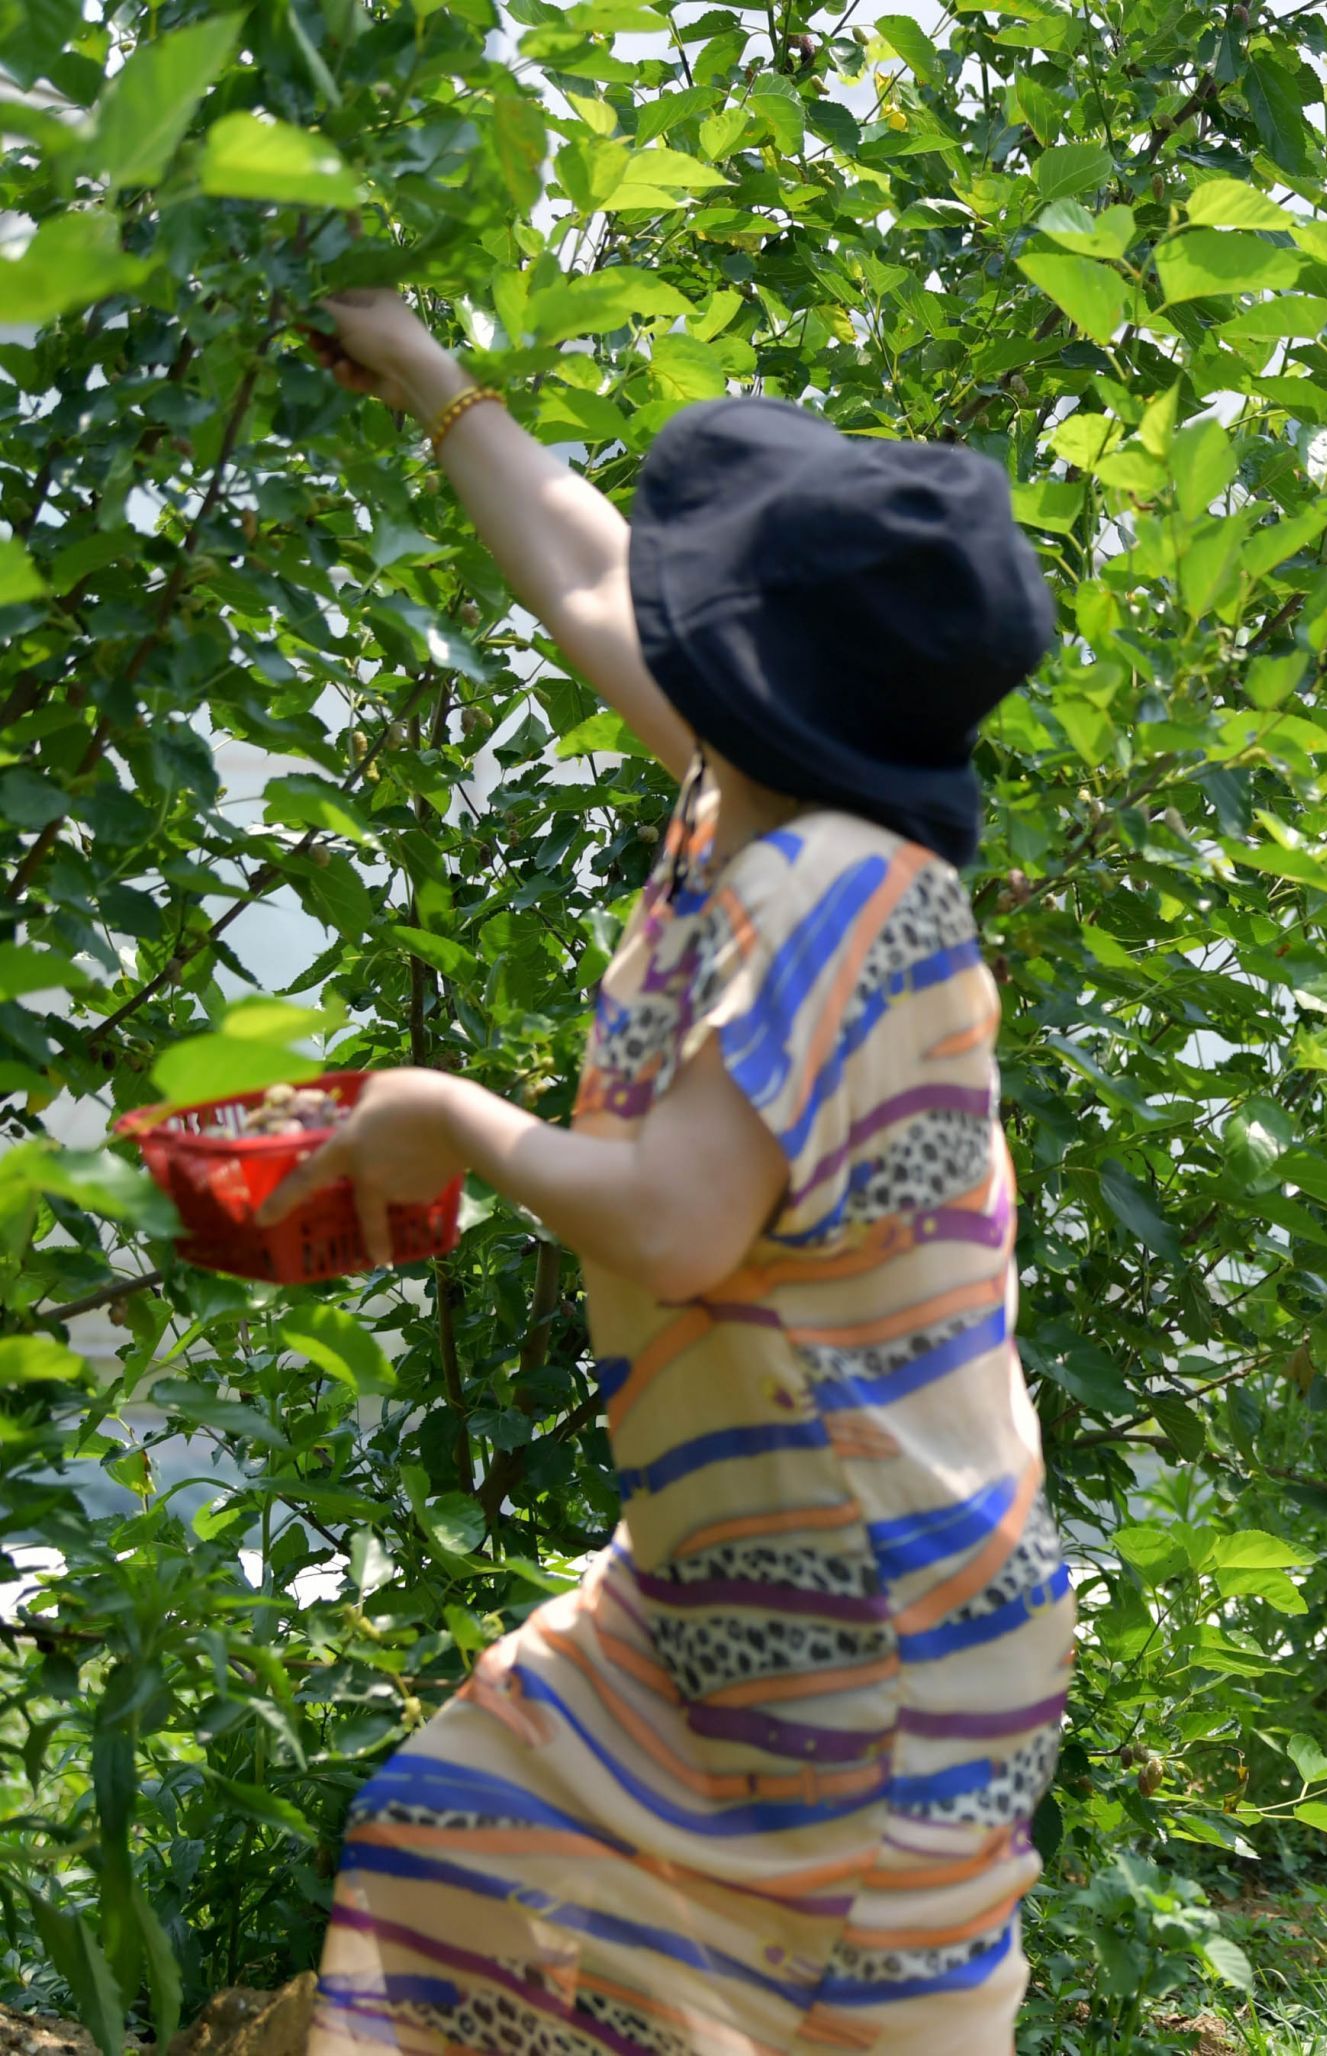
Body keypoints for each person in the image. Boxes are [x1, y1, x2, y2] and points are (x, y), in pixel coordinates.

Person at [275, 292, 1076, 2050]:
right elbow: (588, 574)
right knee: (463, 1851)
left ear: (760, 676)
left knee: (818, 2008)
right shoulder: (759, 797)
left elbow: (680, 1222)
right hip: (745, 1576)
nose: (663, 620)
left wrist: (442, 1117)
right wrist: (427, 375)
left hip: (876, 1623)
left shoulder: (837, 892)